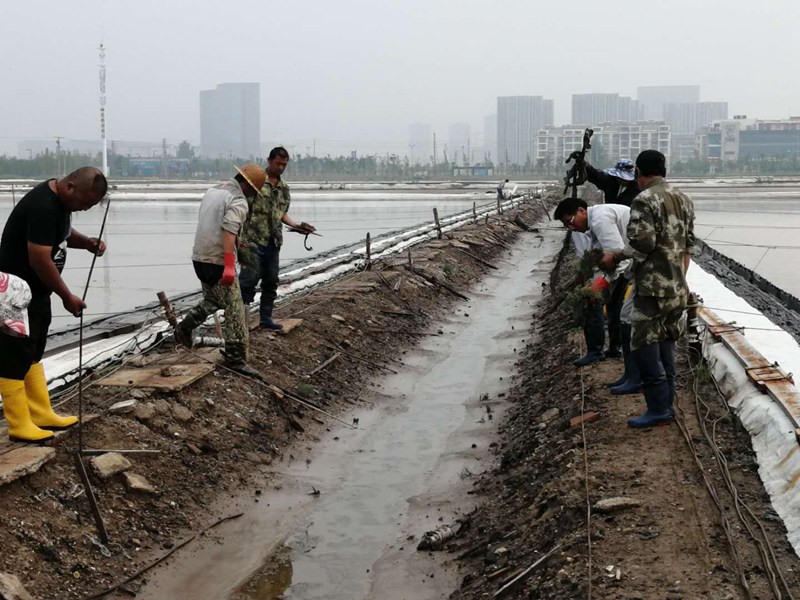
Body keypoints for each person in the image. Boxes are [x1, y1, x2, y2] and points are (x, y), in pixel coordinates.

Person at [0, 167, 108, 442]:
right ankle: (18, 424)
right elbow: (39, 259)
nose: (85, 209)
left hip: (37, 292)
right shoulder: (43, 206)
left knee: (34, 350)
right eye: (85, 203)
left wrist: (87, 243)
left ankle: (40, 413)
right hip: (15, 293)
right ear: (70, 187)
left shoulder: (61, 203)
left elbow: (62, 233)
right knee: (13, 356)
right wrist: (66, 296)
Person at [599, 150, 695, 428]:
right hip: (677, 286)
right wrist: (680, 280)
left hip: (652, 288)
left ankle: (658, 408)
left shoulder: (644, 200)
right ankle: (666, 404)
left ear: (639, 173)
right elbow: (689, 246)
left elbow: (642, 243)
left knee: (643, 344)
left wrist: (615, 256)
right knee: (667, 343)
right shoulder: (684, 198)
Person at [174, 164, 266, 376]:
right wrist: (229, 265)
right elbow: (228, 230)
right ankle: (236, 358)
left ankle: (184, 328)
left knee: (214, 299)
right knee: (235, 308)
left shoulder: (214, 190)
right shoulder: (239, 200)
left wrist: (237, 243)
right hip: (217, 260)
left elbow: (214, 224)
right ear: (249, 187)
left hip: (200, 256)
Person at [554, 198, 636, 381]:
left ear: (582, 211)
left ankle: (596, 351)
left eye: (570, 221)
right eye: (567, 226)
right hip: (629, 263)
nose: (572, 227)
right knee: (615, 306)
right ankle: (614, 348)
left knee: (593, 299)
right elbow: (599, 255)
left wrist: (601, 283)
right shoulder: (593, 223)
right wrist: (584, 274)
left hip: (630, 264)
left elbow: (618, 257)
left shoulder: (600, 219)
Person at [239, 147, 315, 330]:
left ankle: (266, 318)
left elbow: (281, 213)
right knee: (247, 282)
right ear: (269, 161)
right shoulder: (256, 182)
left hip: (273, 242)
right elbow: (241, 210)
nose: (280, 167)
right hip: (252, 241)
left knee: (271, 281)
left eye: (284, 165)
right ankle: (240, 322)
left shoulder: (283, 188)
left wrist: (296, 226)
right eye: (278, 163)